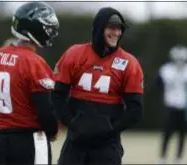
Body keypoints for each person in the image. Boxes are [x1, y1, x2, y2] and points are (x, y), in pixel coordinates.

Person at [52, 7, 144, 165]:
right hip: (76, 143)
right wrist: (72, 123)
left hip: (107, 146)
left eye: (119, 28)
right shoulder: (74, 54)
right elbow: (57, 95)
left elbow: (135, 110)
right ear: (99, 27)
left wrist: (109, 128)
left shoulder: (129, 63)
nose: (117, 33)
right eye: (112, 27)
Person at [0, 2, 59, 164]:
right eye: (47, 27)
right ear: (35, 28)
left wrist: (4, 126)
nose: (51, 32)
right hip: (30, 140)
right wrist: (52, 131)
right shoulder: (34, 62)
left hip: (1, 141)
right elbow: (45, 109)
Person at [156, 45, 187, 164]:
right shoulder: (166, 69)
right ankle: (162, 157)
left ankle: (178, 158)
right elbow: (159, 85)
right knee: (167, 133)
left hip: (185, 107)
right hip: (171, 105)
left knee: (182, 134)